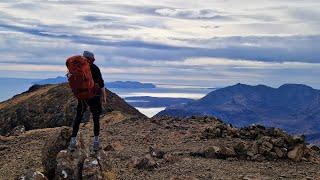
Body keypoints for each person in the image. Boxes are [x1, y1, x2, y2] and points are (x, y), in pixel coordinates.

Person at [68, 51, 106, 151]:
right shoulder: (94, 68)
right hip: (94, 96)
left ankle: (72, 141)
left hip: (82, 97)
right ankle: (96, 142)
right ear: (91, 59)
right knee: (96, 118)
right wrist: (104, 97)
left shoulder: (77, 68)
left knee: (78, 117)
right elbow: (101, 84)